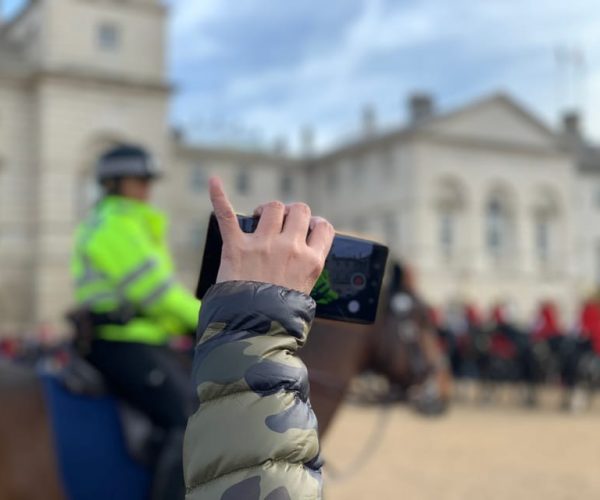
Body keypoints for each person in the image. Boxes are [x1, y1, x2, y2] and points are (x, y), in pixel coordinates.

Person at [183, 178, 334, 499]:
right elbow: (152, 290)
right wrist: (242, 311)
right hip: (127, 335)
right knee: (173, 414)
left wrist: (218, 312)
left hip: (150, 331)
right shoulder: (120, 224)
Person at [71, 145, 201, 500]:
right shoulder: (114, 226)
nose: (147, 187)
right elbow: (159, 295)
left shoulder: (130, 224)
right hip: (122, 342)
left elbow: (160, 304)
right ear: (113, 183)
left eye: (149, 180)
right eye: (139, 179)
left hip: (144, 339)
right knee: (191, 422)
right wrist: (212, 319)